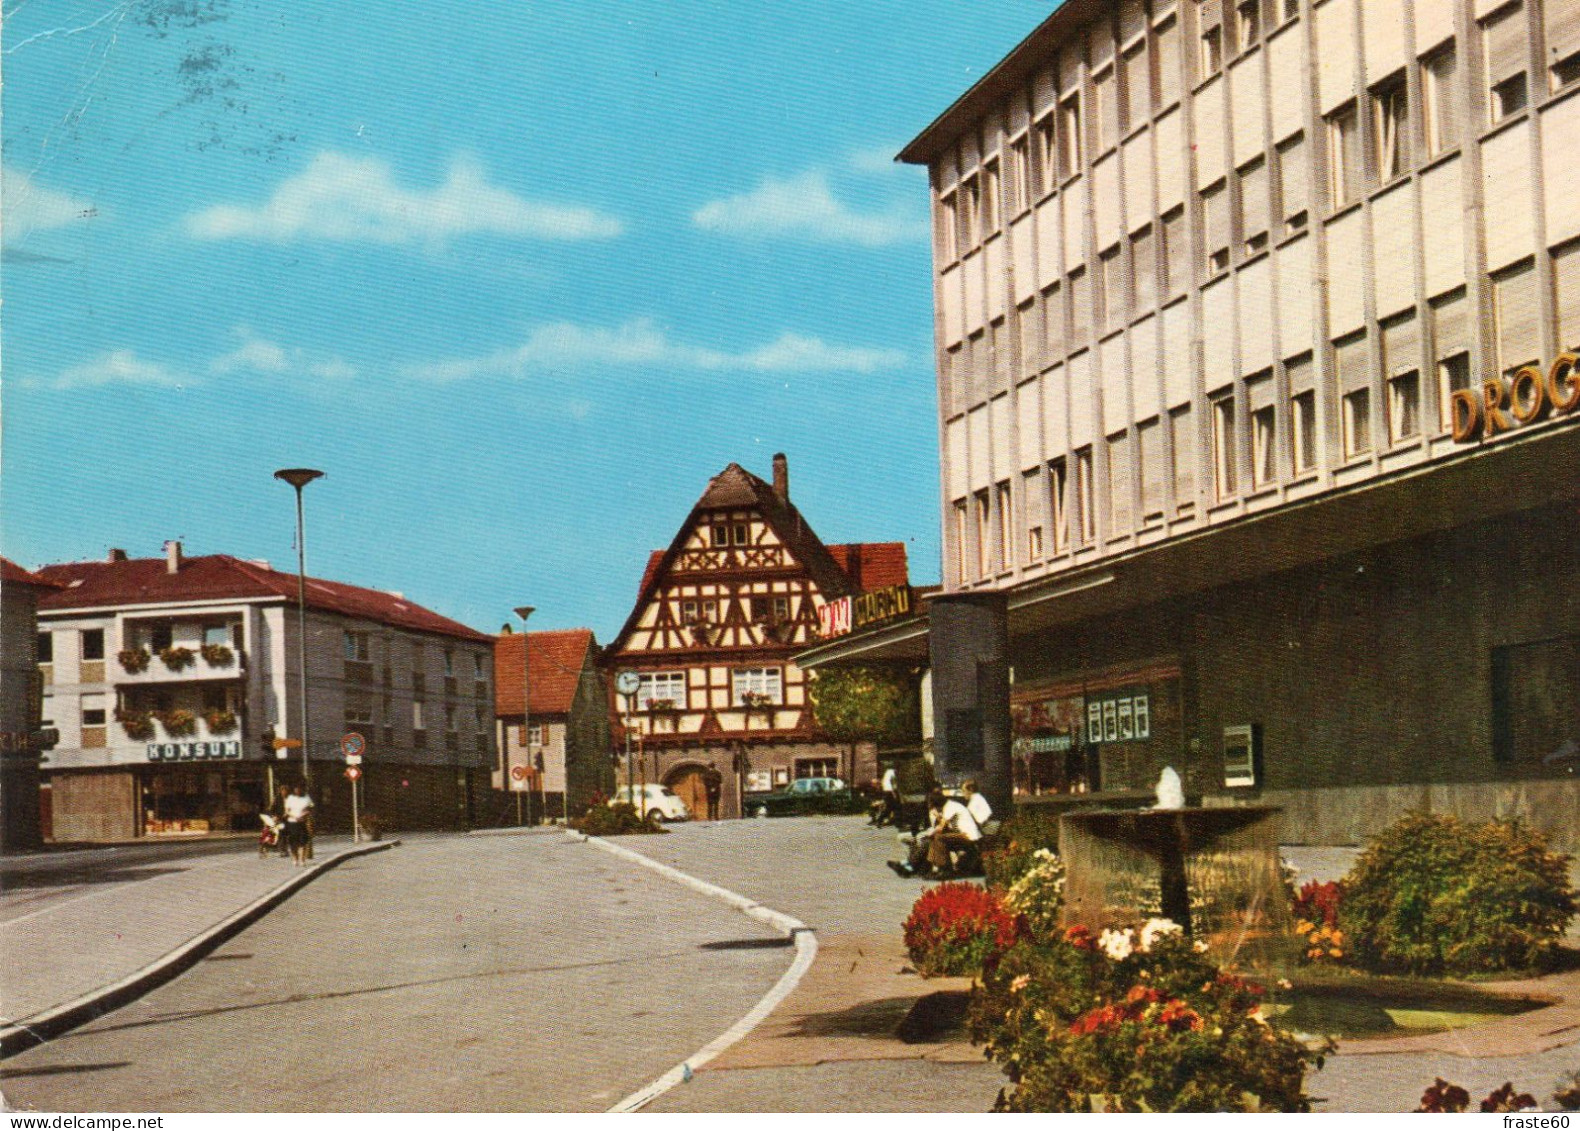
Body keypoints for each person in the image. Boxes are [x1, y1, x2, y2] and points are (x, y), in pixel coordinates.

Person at [888, 788, 980, 877]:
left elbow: (940, 828)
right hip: (961, 835)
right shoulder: (949, 806)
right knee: (928, 840)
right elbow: (945, 826)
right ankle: (910, 866)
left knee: (933, 838)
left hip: (968, 837)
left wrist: (931, 830)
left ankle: (909, 866)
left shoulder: (950, 807)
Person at [283, 784, 314, 867]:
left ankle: (302, 860)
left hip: (302, 822)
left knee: (303, 841)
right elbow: (287, 811)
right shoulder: (290, 798)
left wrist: (303, 815)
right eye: (296, 789)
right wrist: (295, 816)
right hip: (292, 822)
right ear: (294, 790)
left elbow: (310, 809)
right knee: (293, 842)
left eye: (299, 788)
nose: (298, 790)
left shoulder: (306, 798)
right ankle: (295, 858)